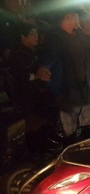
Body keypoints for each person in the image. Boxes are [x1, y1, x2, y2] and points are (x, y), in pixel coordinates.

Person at [41, 10, 90, 146]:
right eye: (76, 16)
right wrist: (44, 70)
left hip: (83, 81)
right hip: (65, 84)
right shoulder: (55, 37)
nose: (78, 19)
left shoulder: (78, 35)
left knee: (87, 110)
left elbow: (87, 57)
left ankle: (88, 144)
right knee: (68, 116)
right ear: (67, 17)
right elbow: (50, 58)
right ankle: (70, 146)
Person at [9, 22, 55, 152]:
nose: (36, 37)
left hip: (38, 91)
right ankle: (35, 149)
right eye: (32, 34)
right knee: (32, 121)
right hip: (26, 93)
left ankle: (44, 143)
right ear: (22, 37)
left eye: (36, 34)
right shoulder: (18, 53)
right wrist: (36, 76)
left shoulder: (35, 51)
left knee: (42, 116)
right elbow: (19, 75)